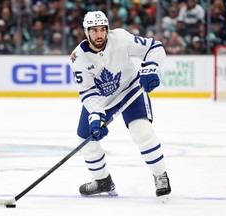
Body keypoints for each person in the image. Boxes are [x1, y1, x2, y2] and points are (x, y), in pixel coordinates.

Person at [68, 11, 171, 200]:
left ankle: (160, 175)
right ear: (86, 32)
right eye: (94, 31)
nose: (99, 35)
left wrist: (151, 68)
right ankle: (102, 180)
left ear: (107, 30)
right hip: (102, 100)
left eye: (102, 30)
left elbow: (154, 47)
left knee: (142, 131)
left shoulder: (121, 38)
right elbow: (89, 93)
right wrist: (96, 118)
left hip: (130, 91)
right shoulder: (77, 58)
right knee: (86, 139)